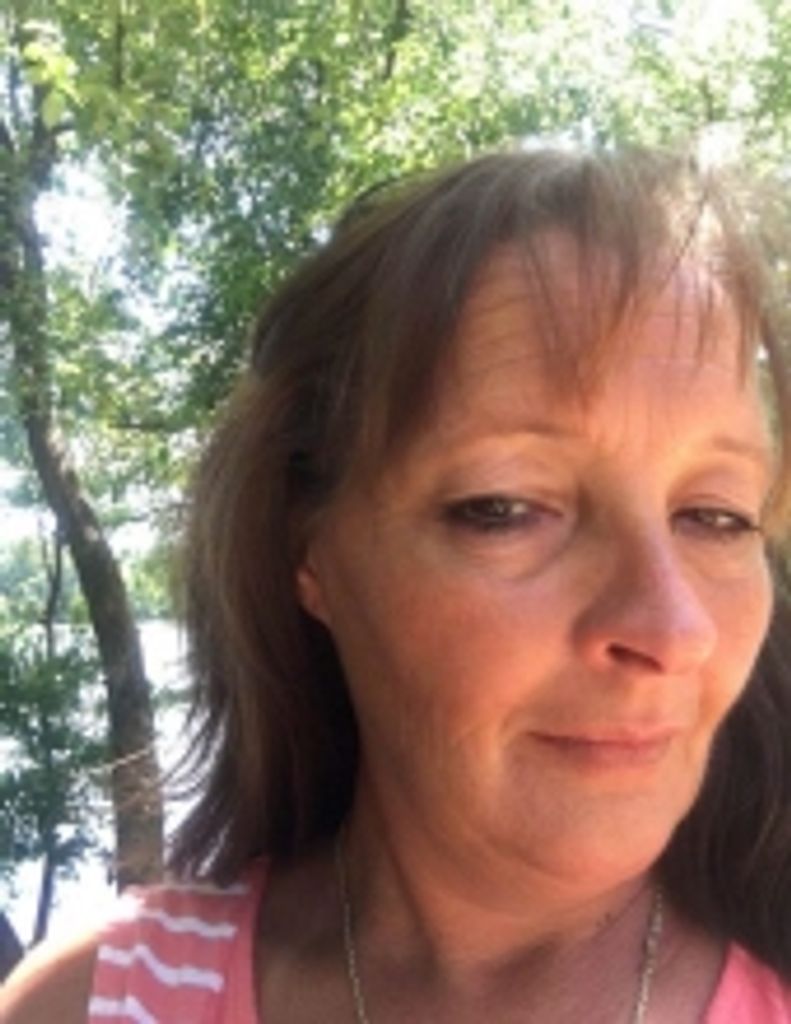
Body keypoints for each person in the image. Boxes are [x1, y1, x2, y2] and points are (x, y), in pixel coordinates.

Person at [3, 146, 791, 1023]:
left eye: (717, 515)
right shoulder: (98, 1003)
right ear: (310, 552)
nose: (673, 627)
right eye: (504, 507)